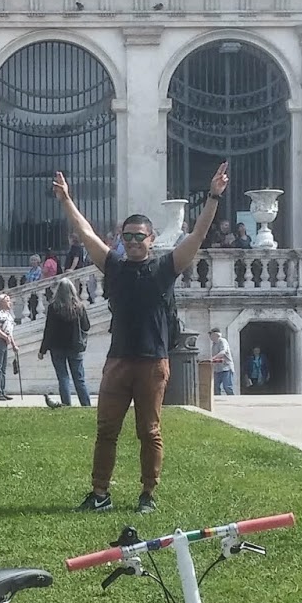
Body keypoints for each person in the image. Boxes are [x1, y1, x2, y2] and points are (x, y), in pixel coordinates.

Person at [56, 160, 229, 515]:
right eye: (128, 236)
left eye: (140, 236)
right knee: (106, 430)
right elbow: (86, 233)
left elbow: (196, 236)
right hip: (118, 361)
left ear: (151, 240)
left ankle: (148, 495)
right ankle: (100, 494)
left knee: (149, 431)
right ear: (121, 239)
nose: (134, 241)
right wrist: (66, 200)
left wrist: (213, 196)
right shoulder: (115, 266)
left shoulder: (165, 267)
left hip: (152, 362)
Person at [39, 278, 91, 408]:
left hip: (57, 346)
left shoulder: (53, 307)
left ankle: (66, 404)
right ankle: (86, 404)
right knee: (79, 378)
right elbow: (87, 325)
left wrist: (42, 349)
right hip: (75, 345)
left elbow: (48, 330)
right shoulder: (79, 307)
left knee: (63, 377)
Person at [0, 292, 18, 401]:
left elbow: (10, 331)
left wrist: (14, 344)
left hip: (5, 340)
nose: (10, 302)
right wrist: (5, 337)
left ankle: (3, 390)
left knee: (3, 368)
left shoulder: (9, 315)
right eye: (7, 300)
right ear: (1, 302)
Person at [207, 328, 235, 396]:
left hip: (226, 368)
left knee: (227, 387)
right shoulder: (214, 344)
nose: (210, 337)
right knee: (215, 387)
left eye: (211, 335)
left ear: (216, 335)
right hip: (217, 369)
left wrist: (212, 358)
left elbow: (223, 352)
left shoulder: (222, 341)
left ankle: (232, 400)